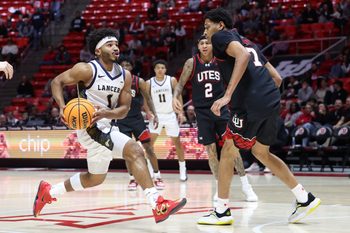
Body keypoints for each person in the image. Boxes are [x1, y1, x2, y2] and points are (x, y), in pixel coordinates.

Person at [32, 28, 186, 224]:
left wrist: (106, 113)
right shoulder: (86, 69)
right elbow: (57, 82)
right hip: (90, 127)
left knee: (95, 178)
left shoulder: (126, 76)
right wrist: (63, 107)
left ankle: (48, 192)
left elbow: (123, 109)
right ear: (98, 51)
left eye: (116, 44)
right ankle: (157, 203)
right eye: (109, 44)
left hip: (109, 125)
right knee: (135, 150)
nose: (115, 48)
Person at [199, 8, 320, 225]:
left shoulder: (221, 37)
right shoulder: (247, 41)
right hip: (271, 100)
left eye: (208, 26)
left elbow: (242, 57)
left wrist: (228, 95)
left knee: (228, 150)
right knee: (261, 152)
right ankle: (304, 198)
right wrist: (263, 97)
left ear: (220, 25)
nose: (206, 32)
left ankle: (221, 211)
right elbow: (277, 77)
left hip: (249, 105)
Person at [173, 36, 258, 205]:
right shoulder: (192, 63)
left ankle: (246, 186)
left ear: (213, 45)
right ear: (197, 46)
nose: (204, 46)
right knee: (210, 151)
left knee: (232, 147)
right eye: (201, 43)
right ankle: (220, 188)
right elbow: (180, 85)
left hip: (221, 109)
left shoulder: (221, 61)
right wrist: (175, 97)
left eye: (207, 43)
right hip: (202, 113)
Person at [117, 58, 164, 190]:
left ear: (132, 67)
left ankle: (157, 176)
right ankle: (132, 179)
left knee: (149, 149)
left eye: (128, 64)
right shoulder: (115, 82)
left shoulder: (139, 81)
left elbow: (148, 99)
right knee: (127, 152)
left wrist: (154, 114)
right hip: (122, 121)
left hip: (137, 120)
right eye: (123, 65)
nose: (125, 66)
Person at [146, 60, 187, 182]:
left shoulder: (171, 80)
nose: (160, 70)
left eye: (162, 67)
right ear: (154, 69)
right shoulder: (149, 83)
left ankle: (183, 170)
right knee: (149, 145)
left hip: (170, 115)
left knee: (177, 143)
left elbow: (178, 94)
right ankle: (151, 170)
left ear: (165, 69)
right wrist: (148, 112)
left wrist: (181, 112)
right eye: (158, 67)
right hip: (156, 116)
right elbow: (146, 98)